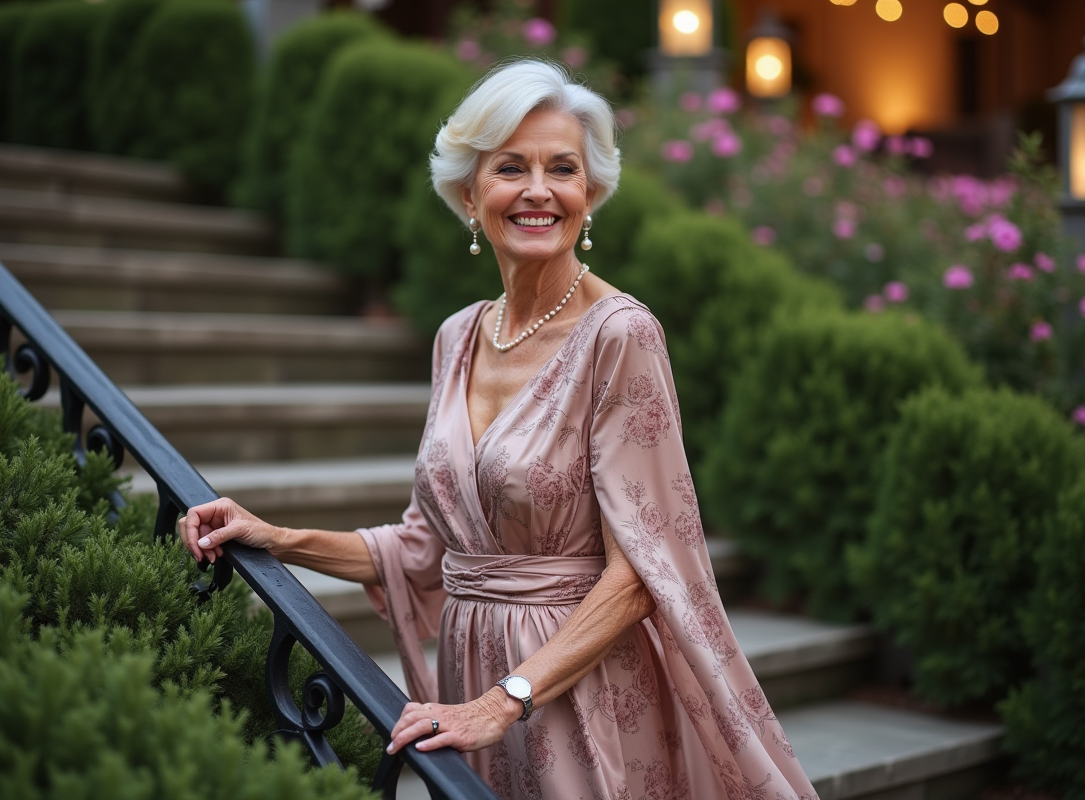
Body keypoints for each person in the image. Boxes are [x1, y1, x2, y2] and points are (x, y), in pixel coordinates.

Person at [179, 60, 818, 800]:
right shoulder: (457, 337)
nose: (539, 190)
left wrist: (505, 699)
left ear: (591, 192)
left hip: (578, 687)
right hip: (472, 675)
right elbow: (424, 547)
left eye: (562, 168)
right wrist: (274, 537)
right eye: (511, 167)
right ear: (470, 192)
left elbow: (643, 573)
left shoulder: (621, 335)